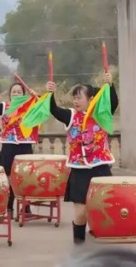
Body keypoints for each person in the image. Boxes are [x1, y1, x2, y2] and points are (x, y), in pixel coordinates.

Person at [45, 72, 118, 244]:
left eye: (79, 98)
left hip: (100, 167)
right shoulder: (71, 116)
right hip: (79, 170)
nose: (76, 101)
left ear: (91, 99)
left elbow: (113, 102)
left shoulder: (102, 113)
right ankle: (79, 244)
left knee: (105, 208)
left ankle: (103, 243)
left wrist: (110, 84)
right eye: (74, 98)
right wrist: (50, 93)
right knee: (81, 213)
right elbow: (54, 110)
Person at [0, 82, 39, 215]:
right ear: (9, 95)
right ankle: (9, 207)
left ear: (24, 94)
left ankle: (26, 207)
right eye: (13, 92)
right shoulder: (5, 107)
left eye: (19, 92)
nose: (16, 94)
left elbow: (44, 109)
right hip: (9, 146)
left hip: (25, 145)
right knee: (8, 178)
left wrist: (37, 98)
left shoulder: (30, 106)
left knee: (25, 177)